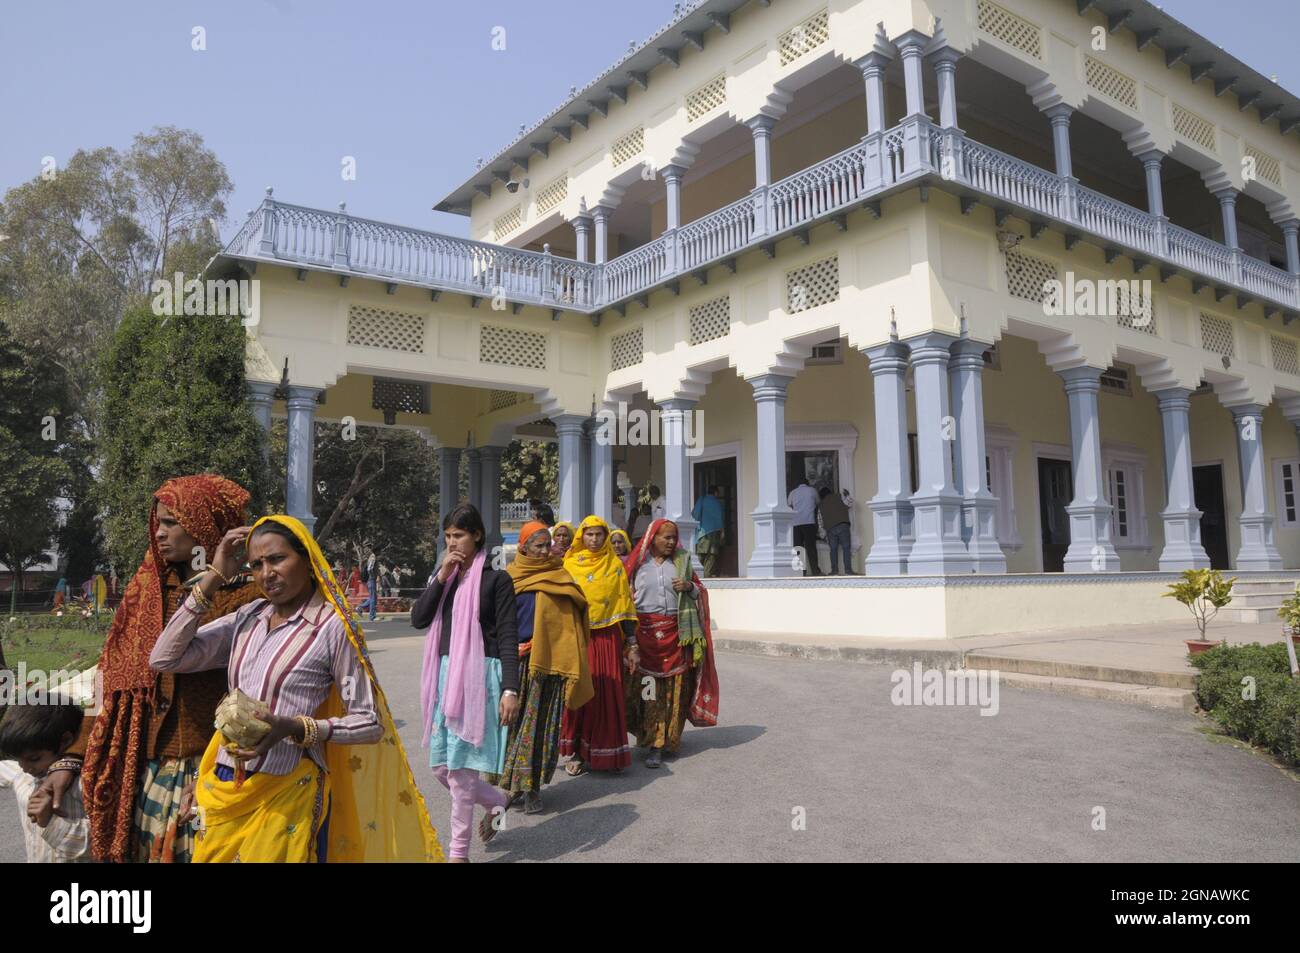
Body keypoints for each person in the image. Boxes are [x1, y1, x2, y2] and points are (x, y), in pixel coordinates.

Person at [150, 515, 442, 863]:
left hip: (287, 790)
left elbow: (369, 721)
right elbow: (164, 657)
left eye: (277, 559)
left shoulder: (332, 628)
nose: (266, 573)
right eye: (256, 564)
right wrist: (213, 576)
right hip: (227, 785)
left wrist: (295, 727)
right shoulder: (248, 617)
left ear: (307, 558)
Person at [70, 475, 262, 864]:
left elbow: (260, 687)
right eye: (157, 522)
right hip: (150, 765)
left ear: (205, 526)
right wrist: (73, 755)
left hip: (214, 764)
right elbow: (111, 682)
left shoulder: (250, 595)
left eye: (172, 523)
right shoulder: (147, 592)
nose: (159, 533)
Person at [413, 503, 518, 863]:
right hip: (445, 676)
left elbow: (507, 635)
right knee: (441, 768)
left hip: (479, 678)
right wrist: (441, 576)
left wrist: (510, 688)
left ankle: (457, 854)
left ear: (476, 535)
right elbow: (418, 619)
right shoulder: (445, 578)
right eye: (447, 537)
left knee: (460, 773)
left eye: (458, 535)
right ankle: (497, 800)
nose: (452, 542)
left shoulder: (496, 580)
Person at [491, 522, 592, 814]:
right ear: (523, 547)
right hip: (513, 663)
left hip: (548, 665)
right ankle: (511, 783)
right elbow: (495, 623)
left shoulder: (560, 577)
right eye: (539, 546)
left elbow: (574, 618)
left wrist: (556, 646)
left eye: (548, 545)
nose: (546, 550)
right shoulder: (508, 579)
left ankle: (530, 787)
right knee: (511, 727)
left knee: (538, 727)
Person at [623, 519, 720, 767]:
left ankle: (667, 740)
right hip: (645, 637)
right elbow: (623, 600)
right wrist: (630, 640)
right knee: (649, 691)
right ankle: (652, 740)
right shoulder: (637, 566)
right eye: (665, 537)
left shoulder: (682, 562)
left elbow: (701, 591)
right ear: (652, 537)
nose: (671, 542)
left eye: (673, 537)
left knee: (675, 690)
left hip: (677, 635)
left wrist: (689, 586)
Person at [559, 516, 638, 775]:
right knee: (579, 694)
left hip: (607, 639)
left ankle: (608, 753)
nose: (594, 540)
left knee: (606, 694)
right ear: (582, 536)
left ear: (605, 537)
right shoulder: (569, 565)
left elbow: (624, 605)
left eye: (599, 535)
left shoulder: (614, 566)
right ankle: (578, 753)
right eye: (589, 534)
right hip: (578, 638)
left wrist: (632, 644)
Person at [0, 696, 91, 863]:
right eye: (19, 759)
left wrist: (51, 822)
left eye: (34, 758)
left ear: (66, 741)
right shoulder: (23, 775)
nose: (25, 767)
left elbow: (99, 844)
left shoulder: (86, 785)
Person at [788, 477, 821, 576]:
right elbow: (818, 502)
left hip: (796, 523)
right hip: (809, 522)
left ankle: (800, 572)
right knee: (811, 547)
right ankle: (815, 571)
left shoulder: (793, 493)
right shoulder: (812, 490)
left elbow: (789, 505)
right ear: (807, 483)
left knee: (798, 547)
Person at [818, 486, 854, 575]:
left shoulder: (821, 505)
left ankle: (834, 571)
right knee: (846, 548)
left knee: (833, 550)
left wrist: (822, 534)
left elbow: (820, 521)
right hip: (843, 526)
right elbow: (849, 503)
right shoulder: (839, 496)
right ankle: (848, 571)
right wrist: (847, 495)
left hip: (830, 529)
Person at [691, 486, 725, 577]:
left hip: (703, 532)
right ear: (716, 493)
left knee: (700, 555)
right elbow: (720, 519)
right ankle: (707, 575)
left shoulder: (702, 500)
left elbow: (695, 515)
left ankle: (696, 575)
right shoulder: (717, 503)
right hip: (715, 532)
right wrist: (722, 532)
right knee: (712, 555)